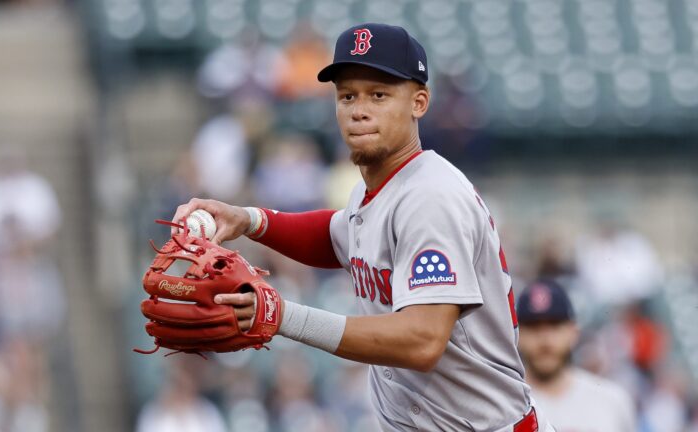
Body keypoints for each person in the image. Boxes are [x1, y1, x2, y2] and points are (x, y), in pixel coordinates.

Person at [172, 23, 553, 431]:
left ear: (419, 103)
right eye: (347, 95)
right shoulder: (378, 189)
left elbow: (422, 341)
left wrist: (283, 317)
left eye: (379, 94)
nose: (359, 109)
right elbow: (336, 234)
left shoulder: (431, 197)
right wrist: (248, 219)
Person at [517, 279, 637, 432]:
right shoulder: (505, 406)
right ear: (517, 335)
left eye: (555, 325)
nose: (545, 340)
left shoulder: (613, 402)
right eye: (533, 326)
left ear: (574, 332)